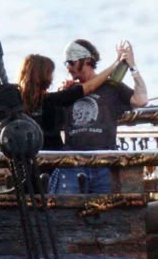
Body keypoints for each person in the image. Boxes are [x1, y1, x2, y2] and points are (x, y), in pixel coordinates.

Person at [49, 39, 148, 194]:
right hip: (71, 163)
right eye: (66, 63)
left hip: (104, 162)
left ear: (87, 61)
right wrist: (60, 90)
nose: (68, 67)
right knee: (65, 208)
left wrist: (132, 67)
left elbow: (141, 100)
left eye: (71, 62)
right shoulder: (69, 91)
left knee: (107, 211)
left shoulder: (111, 87)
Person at [17, 53, 119, 151]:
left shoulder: (17, 99)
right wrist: (115, 65)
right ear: (43, 77)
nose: (52, 78)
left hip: (25, 155)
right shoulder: (53, 99)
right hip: (53, 161)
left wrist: (62, 92)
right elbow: (90, 86)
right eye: (50, 74)